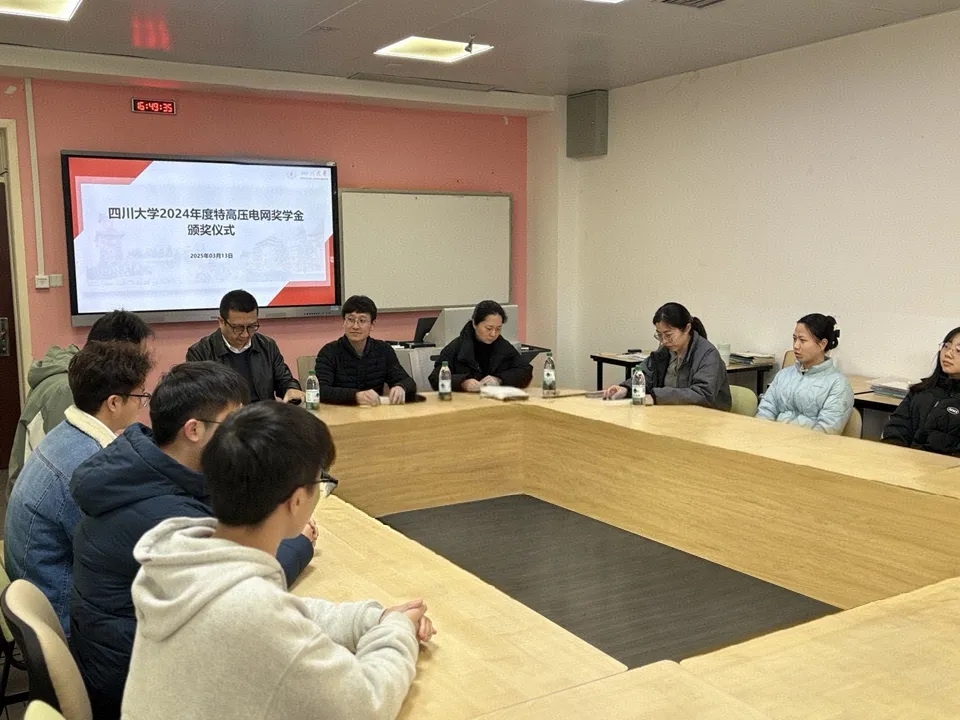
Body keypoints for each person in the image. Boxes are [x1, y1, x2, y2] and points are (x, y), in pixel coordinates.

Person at [122, 402, 434, 720]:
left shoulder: (181, 559)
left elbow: (281, 613)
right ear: (297, 500)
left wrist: (372, 619)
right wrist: (397, 631)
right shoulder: (252, 611)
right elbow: (366, 705)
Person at [69, 362, 317, 719]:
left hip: (120, 655)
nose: (243, 437)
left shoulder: (141, 468)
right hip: (138, 683)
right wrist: (298, 541)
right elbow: (241, 586)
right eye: (233, 423)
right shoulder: (165, 517)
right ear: (194, 430)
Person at [4, 342, 152, 637]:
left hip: (39, 589)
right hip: (62, 616)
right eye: (140, 396)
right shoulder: (88, 466)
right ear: (114, 402)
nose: (142, 404)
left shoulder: (66, 433)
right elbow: (116, 558)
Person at [6, 310, 152, 496]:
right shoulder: (65, 390)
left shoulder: (77, 378)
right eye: (138, 357)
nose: (140, 367)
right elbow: (73, 473)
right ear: (115, 353)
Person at [603, 303, 731, 410]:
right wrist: (626, 388)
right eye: (659, 335)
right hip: (671, 415)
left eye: (668, 335)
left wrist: (656, 397)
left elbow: (702, 394)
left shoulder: (708, 355)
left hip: (705, 420)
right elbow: (646, 375)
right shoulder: (664, 351)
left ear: (687, 328)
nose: (664, 341)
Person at [185, 289, 304, 404]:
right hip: (227, 416)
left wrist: (291, 389)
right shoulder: (200, 352)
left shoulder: (267, 345)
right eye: (238, 328)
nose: (245, 334)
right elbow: (198, 399)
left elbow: (284, 381)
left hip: (263, 413)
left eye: (252, 326)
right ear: (221, 322)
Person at [755, 314, 854, 434]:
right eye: (794, 339)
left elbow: (825, 432)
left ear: (822, 344)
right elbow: (765, 411)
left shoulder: (838, 384)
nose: (796, 346)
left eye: (802, 340)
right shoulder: (784, 375)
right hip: (772, 440)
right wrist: (763, 435)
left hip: (806, 444)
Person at [314, 295, 417, 405]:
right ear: (344, 322)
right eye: (350, 320)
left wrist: (401, 387)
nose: (355, 326)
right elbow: (320, 390)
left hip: (373, 411)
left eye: (362, 321)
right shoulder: (329, 352)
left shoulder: (383, 350)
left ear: (372, 325)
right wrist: (355, 396)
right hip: (339, 411)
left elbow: (408, 382)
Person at [882, 327, 960, 454]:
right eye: (946, 346)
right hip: (907, 461)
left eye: (958, 350)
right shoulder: (921, 390)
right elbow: (896, 429)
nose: (948, 354)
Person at [428, 300, 532, 392]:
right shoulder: (456, 347)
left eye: (498, 329)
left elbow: (525, 371)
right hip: (464, 403)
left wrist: (499, 379)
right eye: (488, 328)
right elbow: (435, 378)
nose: (493, 334)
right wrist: (462, 383)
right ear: (474, 323)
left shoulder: (502, 346)